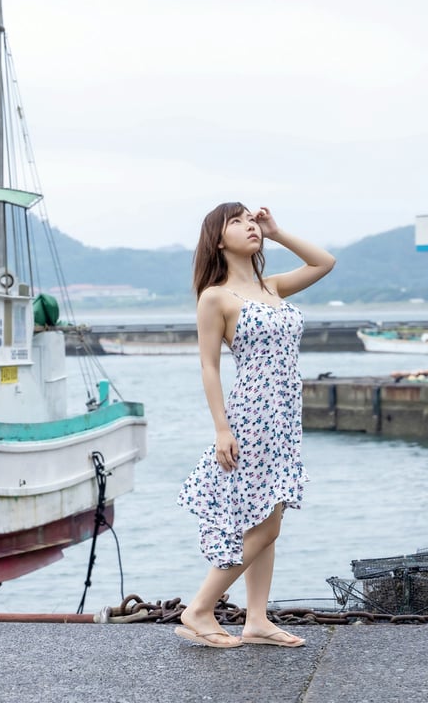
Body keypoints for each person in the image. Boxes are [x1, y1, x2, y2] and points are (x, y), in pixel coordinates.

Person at [175, 203, 335, 648]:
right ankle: (200, 607)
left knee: (267, 515)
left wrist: (278, 230)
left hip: (285, 420)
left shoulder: (273, 287)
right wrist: (222, 429)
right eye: (238, 221)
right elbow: (209, 367)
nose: (250, 226)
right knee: (266, 524)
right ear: (218, 239)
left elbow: (325, 262)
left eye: (252, 219)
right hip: (251, 418)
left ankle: (257, 619)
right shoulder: (216, 297)